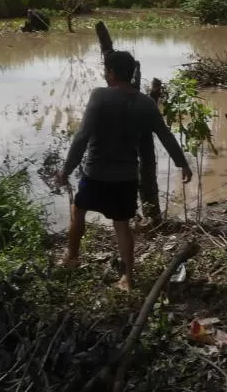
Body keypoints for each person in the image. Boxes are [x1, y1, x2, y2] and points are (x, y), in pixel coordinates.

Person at [54, 50, 192, 290]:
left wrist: (66, 169)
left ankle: (72, 258)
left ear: (111, 73)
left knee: (79, 210)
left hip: (95, 174)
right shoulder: (146, 103)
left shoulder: (99, 97)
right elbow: (165, 135)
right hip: (127, 177)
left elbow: (82, 137)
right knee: (122, 224)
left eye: (106, 70)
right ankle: (127, 278)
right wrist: (182, 163)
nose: (105, 74)